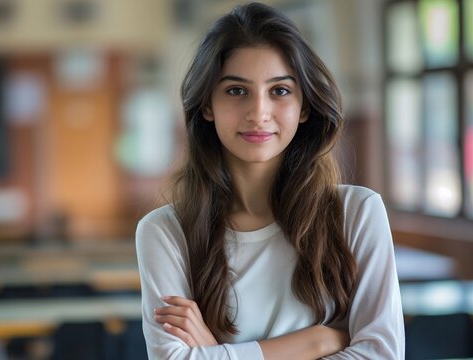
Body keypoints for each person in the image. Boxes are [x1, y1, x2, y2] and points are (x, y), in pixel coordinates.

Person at [135, 3, 404, 359]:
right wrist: (318, 342)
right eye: (236, 90)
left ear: (304, 106)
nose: (259, 112)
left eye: (279, 91)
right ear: (207, 105)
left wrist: (218, 353)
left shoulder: (357, 212)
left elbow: (382, 355)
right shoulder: (165, 232)